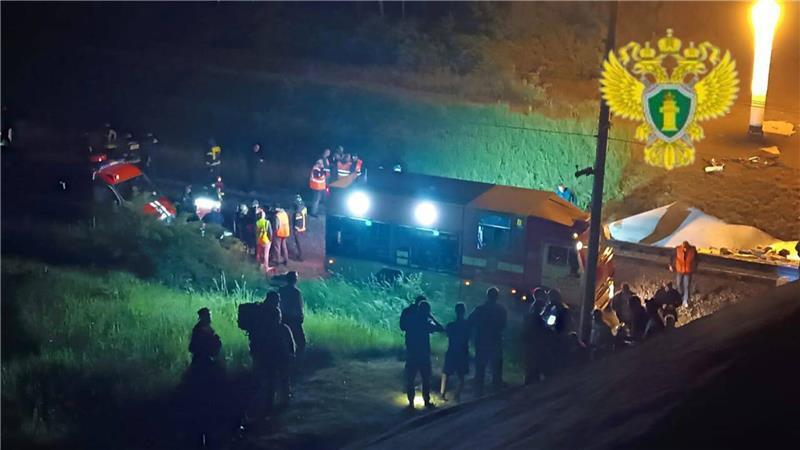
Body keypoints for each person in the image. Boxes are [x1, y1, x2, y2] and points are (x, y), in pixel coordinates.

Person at [247, 297, 296, 417]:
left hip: (268, 358)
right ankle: (283, 402)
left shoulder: (263, 327)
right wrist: (292, 355)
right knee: (283, 379)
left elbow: (257, 344)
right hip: (280, 358)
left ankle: (268, 404)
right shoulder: (283, 328)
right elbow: (291, 344)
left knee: (270, 380)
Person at [402, 300, 443, 409]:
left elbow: (403, 326)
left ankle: (411, 404)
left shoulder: (411, 321)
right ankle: (426, 402)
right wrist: (431, 317)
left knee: (410, 379)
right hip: (423, 355)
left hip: (412, 354)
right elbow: (440, 328)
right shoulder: (426, 323)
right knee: (426, 379)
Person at [469, 287, 507, 396]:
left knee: (480, 368)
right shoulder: (501, 310)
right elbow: (504, 325)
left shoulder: (480, 309)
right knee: (496, 368)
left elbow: (470, 321)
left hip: (481, 341)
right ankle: (496, 391)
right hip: (496, 341)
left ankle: (478, 392)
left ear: (487, 295)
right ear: (497, 297)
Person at [440, 303, 470, 402]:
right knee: (461, 376)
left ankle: (443, 393)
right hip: (462, 352)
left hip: (452, 351)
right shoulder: (467, 325)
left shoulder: (451, 325)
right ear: (464, 311)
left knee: (446, 373)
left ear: (455, 311)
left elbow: (447, 334)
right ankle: (457, 395)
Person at [522, 302, 552, 385]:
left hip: (528, 345)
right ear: (540, 308)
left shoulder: (527, 317)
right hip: (536, 346)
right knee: (535, 368)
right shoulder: (540, 320)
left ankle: (527, 385)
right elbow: (544, 333)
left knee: (528, 367)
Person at [278, 271, 305, 358]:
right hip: (293, 319)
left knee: (284, 341)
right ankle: (297, 361)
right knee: (301, 342)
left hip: (283, 318)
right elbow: (298, 306)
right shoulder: (296, 292)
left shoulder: (281, 290)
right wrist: (300, 316)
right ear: (295, 280)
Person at [670, 240, 698, 307]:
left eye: (686, 248)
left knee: (686, 286)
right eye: (684, 248)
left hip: (688, 271)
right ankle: (680, 295)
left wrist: (694, 267)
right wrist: (670, 265)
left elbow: (696, 259)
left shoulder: (692, 250)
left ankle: (685, 300)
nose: (685, 249)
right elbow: (672, 257)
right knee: (678, 284)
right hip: (679, 270)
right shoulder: (677, 249)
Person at [290, 195, 307, 261]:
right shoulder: (303, 207)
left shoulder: (298, 211)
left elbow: (298, 221)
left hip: (299, 229)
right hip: (303, 228)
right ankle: (300, 254)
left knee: (298, 243)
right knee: (300, 243)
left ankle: (301, 257)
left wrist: (296, 229)